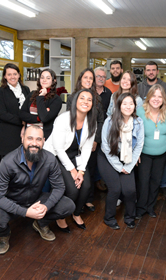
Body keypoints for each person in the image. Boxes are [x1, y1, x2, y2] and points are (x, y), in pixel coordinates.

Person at [0, 126, 75, 255]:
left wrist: (46, 206)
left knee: (68, 206)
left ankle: (40, 223)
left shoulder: (50, 159)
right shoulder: (8, 162)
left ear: (43, 141)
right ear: (22, 139)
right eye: (30, 138)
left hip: (36, 200)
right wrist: (25, 212)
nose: (34, 143)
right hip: (12, 201)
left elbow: (59, 187)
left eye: (38, 139)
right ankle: (4, 234)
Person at [44, 89, 97, 230]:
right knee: (73, 190)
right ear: (75, 101)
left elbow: (86, 149)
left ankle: (76, 213)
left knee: (85, 186)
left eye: (89, 99)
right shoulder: (63, 119)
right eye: (82, 98)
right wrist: (73, 171)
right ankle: (60, 216)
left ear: (92, 104)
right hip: (56, 156)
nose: (85, 101)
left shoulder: (92, 122)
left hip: (74, 157)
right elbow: (59, 149)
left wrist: (81, 171)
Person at [98, 92, 144, 229]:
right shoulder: (110, 121)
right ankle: (109, 217)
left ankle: (130, 217)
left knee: (130, 190)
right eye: (125, 103)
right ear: (119, 105)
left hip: (127, 158)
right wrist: (119, 167)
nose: (128, 106)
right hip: (107, 157)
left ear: (135, 106)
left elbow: (139, 145)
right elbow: (106, 146)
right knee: (115, 189)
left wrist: (128, 167)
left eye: (131, 103)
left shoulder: (138, 122)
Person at [66, 68, 104, 211]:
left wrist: (96, 140)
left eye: (90, 78)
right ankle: (75, 200)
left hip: (91, 140)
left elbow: (101, 121)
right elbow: (69, 119)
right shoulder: (72, 97)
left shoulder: (97, 99)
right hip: (75, 141)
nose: (88, 80)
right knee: (76, 170)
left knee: (90, 170)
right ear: (80, 79)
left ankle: (88, 199)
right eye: (85, 78)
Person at [136, 84, 166, 219]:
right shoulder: (140, 112)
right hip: (144, 154)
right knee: (143, 181)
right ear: (148, 97)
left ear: (163, 98)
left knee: (155, 182)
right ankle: (140, 208)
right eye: (154, 96)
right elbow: (134, 133)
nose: (156, 99)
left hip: (161, 155)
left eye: (160, 96)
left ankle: (150, 207)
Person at [0, 63, 30, 161]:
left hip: (25, 132)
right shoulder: (0, 92)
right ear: (5, 76)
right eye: (9, 74)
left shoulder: (26, 90)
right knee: (9, 166)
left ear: (19, 75)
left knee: (25, 163)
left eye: (15, 74)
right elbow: (2, 114)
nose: (12, 77)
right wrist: (22, 121)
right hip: (8, 134)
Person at [19, 68, 62, 140]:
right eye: (42, 77)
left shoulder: (56, 99)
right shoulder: (32, 94)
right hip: (29, 134)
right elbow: (22, 114)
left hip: (45, 137)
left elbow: (44, 118)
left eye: (48, 78)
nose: (44, 80)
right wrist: (38, 118)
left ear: (54, 80)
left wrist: (41, 96)